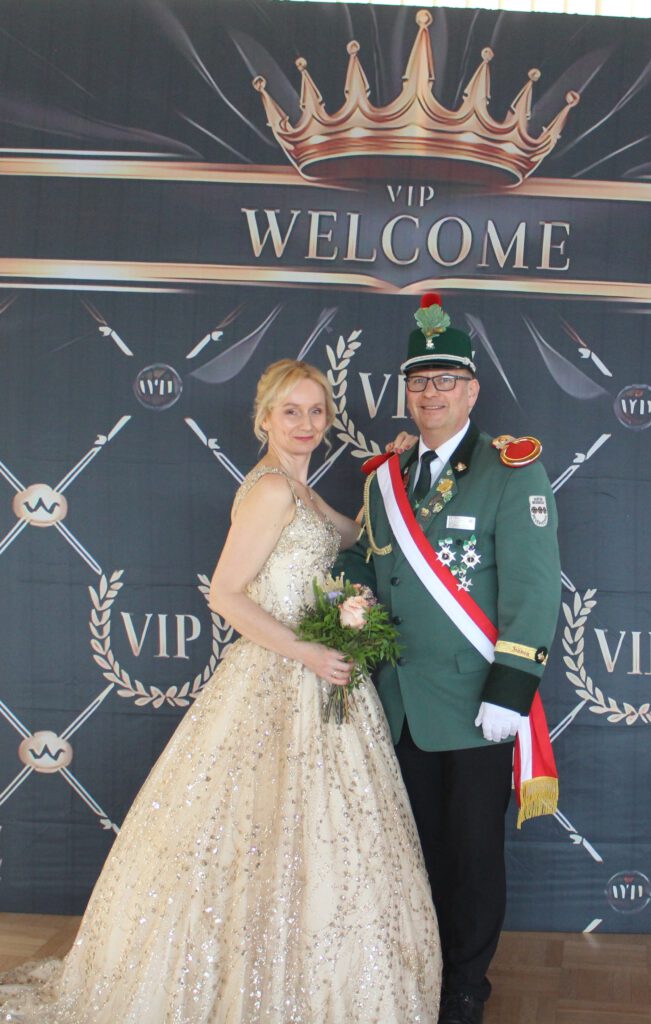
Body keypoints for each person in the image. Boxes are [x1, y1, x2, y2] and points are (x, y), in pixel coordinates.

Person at [0, 359, 442, 1024]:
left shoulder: (301, 488)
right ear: (264, 418)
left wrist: (391, 475)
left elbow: (357, 537)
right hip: (282, 675)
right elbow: (227, 594)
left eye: (316, 411)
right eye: (290, 411)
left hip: (320, 678)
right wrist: (308, 651)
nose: (306, 423)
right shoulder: (271, 490)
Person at [337, 296, 562, 1024]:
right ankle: (413, 973)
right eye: (418, 381)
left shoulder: (510, 470)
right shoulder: (384, 478)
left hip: (474, 705)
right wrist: (342, 607)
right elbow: (371, 571)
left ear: (471, 391)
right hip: (397, 703)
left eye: (445, 381)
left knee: (470, 859)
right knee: (408, 852)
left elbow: (533, 590)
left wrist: (510, 689)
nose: (430, 393)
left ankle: (464, 988)